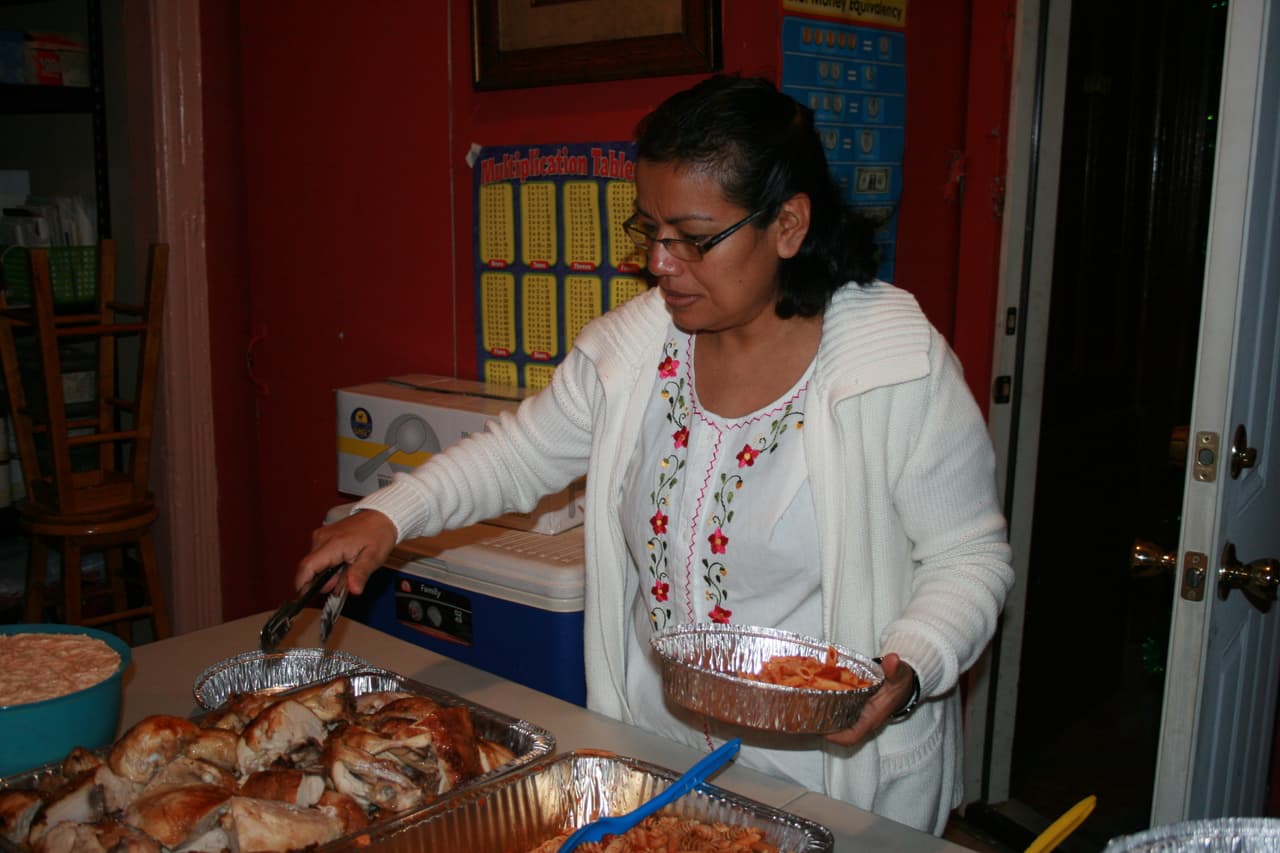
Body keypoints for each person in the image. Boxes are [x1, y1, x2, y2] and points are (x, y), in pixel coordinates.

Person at [297, 74, 1014, 835]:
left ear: (789, 225)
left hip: (838, 785)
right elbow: (520, 453)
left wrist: (911, 664)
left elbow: (970, 556)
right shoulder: (634, 350)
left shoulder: (892, 362)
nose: (660, 264)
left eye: (694, 238)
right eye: (651, 232)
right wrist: (386, 515)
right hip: (663, 765)